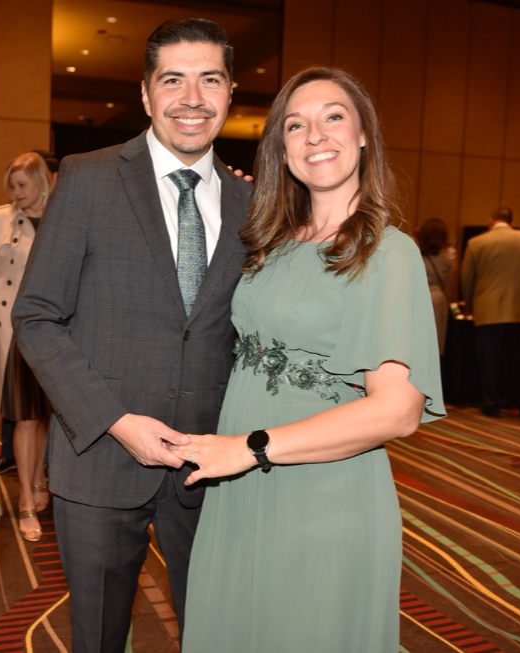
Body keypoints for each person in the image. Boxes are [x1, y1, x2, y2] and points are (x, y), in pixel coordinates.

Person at [161, 67, 445, 653]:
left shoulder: (388, 253)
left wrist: (250, 448)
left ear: (363, 134)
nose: (315, 135)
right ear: (281, 149)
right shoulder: (273, 241)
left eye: (333, 117)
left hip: (321, 492)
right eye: (296, 125)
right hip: (239, 483)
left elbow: (397, 412)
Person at [12, 18, 253, 651]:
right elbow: (36, 316)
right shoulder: (88, 178)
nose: (192, 98)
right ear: (146, 94)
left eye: (210, 80)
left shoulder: (254, 204)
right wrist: (118, 421)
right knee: (97, 637)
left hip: (214, 466)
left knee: (216, 634)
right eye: (173, 80)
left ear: (230, 92)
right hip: (100, 458)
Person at [0, 152, 53, 543]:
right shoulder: (1, 219)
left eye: (22, 184)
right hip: (15, 329)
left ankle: (39, 478)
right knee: (24, 417)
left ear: (42, 181)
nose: (16, 193)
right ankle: (25, 498)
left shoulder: (60, 216)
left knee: (44, 415)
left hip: (54, 330)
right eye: (12, 186)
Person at [461, 207, 520, 418]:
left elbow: (467, 277)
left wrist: (470, 303)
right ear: (511, 221)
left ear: (491, 220)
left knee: (489, 359)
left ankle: (491, 404)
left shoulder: (477, 242)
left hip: (487, 308)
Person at [416, 218, 459, 354]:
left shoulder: (415, 251)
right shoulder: (449, 253)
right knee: (435, 341)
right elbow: (451, 283)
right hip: (438, 299)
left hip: (415, 297)